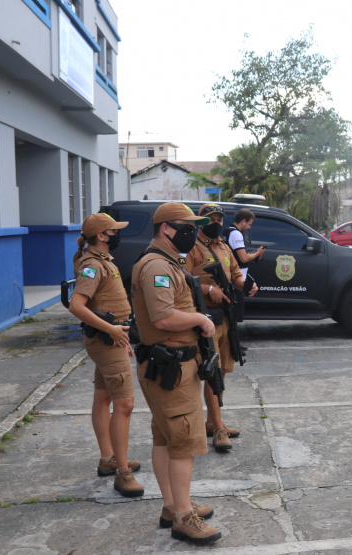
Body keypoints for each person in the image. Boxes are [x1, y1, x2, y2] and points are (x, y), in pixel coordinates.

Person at [131, 202, 221, 544]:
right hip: (170, 366)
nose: (193, 232)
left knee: (165, 437)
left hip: (168, 364)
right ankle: (184, 517)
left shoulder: (167, 262)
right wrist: (200, 319)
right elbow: (163, 317)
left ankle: (173, 506)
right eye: (186, 226)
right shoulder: (157, 265)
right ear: (166, 228)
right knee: (184, 440)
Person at [68, 213, 143, 498]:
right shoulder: (92, 265)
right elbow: (77, 305)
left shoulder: (102, 262)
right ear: (102, 235)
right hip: (105, 339)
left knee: (103, 397)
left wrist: (116, 332)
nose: (117, 234)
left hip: (108, 338)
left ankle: (108, 458)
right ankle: (122, 473)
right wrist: (112, 330)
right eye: (114, 231)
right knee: (125, 405)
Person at [185, 203, 258, 453]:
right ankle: (217, 428)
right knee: (213, 372)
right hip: (205, 320)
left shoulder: (224, 246)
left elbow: (236, 275)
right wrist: (208, 290)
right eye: (210, 218)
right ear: (200, 222)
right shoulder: (191, 249)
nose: (215, 222)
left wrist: (246, 285)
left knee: (223, 370)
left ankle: (212, 421)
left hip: (226, 318)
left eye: (218, 218)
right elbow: (182, 282)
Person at [226, 208, 266, 279]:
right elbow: (243, 258)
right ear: (243, 221)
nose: (249, 227)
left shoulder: (231, 231)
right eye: (249, 224)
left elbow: (237, 254)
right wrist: (258, 253)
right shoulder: (236, 234)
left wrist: (253, 254)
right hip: (237, 276)